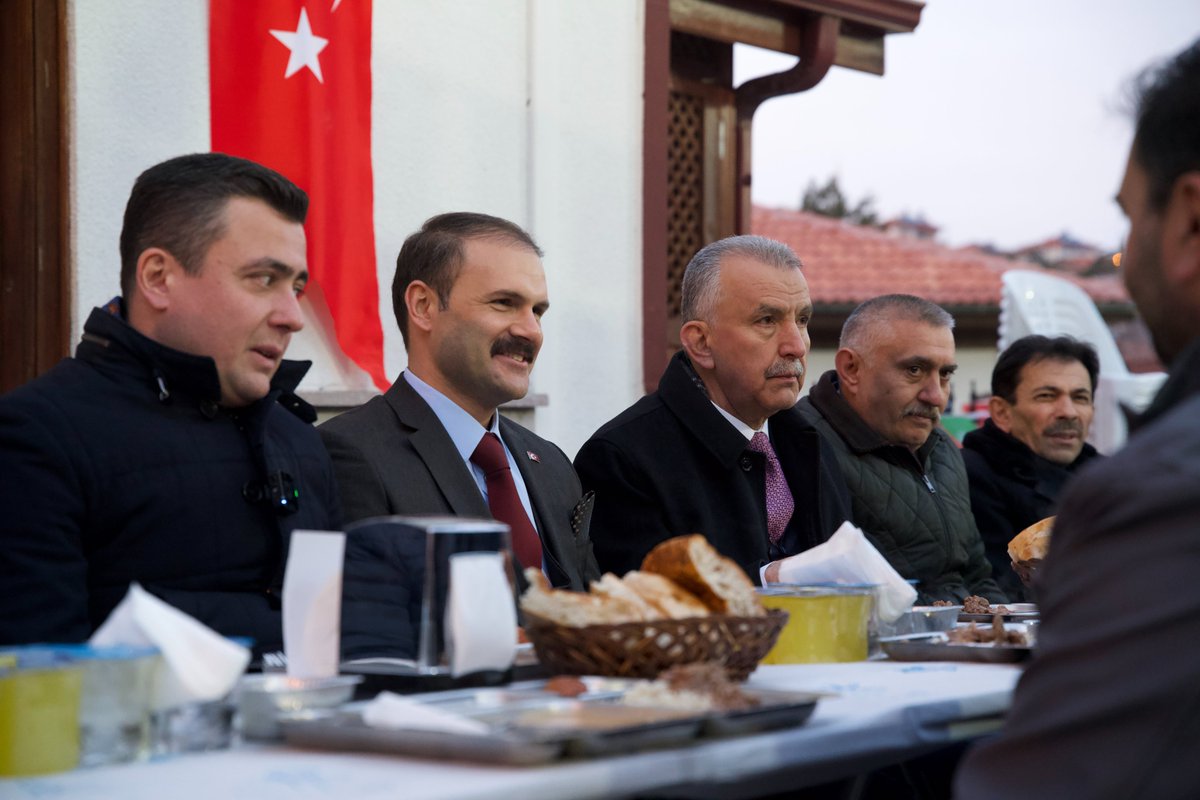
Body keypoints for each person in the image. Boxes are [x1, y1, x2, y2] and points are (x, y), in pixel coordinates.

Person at [956, 39, 1200, 798]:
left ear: (1189, 219)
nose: (1127, 254)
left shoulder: (1153, 494)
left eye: (1130, 219)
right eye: (1046, 397)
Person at [0, 153, 341, 654]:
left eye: (297, 286)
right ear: (158, 278)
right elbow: (38, 694)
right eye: (264, 280)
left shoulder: (299, 440)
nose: (292, 316)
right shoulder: (36, 436)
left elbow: (335, 646)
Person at [319, 213, 599, 655]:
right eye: (504, 303)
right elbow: (371, 642)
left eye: (537, 310)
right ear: (423, 306)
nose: (531, 331)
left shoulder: (552, 464)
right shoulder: (351, 454)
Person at [574, 235, 851, 582]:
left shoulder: (809, 442)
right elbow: (649, 616)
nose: (796, 345)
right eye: (767, 320)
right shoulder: (622, 460)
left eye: (803, 320)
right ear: (701, 343)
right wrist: (772, 581)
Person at [796, 294, 1007, 604]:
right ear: (851, 369)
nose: (936, 396)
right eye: (914, 370)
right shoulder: (801, 445)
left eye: (945, 374)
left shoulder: (943, 447)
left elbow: (976, 575)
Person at [962, 335, 1102, 599]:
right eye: (1047, 396)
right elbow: (999, 587)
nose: (1068, 412)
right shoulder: (970, 475)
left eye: (1080, 397)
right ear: (1002, 412)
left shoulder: (1111, 479)